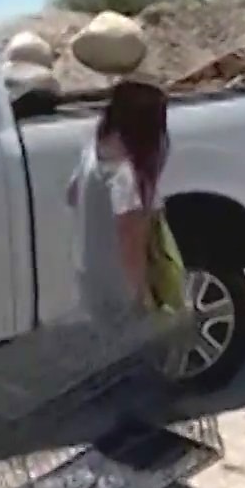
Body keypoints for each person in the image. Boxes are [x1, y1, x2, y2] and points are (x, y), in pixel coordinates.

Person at [65, 79, 173, 325]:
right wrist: (141, 296)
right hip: (118, 285)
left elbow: (71, 195)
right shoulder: (124, 177)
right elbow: (130, 243)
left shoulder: (92, 152)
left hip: (87, 270)